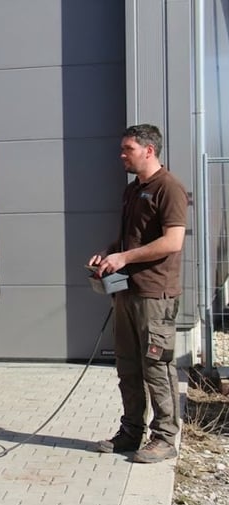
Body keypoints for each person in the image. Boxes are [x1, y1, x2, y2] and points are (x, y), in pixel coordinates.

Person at [88, 124, 188, 464]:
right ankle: (131, 433)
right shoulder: (133, 190)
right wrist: (108, 253)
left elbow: (173, 241)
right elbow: (129, 239)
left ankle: (164, 437)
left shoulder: (169, 189)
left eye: (127, 149)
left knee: (156, 367)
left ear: (149, 150)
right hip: (127, 293)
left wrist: (125, 258)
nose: (121, 155)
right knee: (128, 367)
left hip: (155, 295)